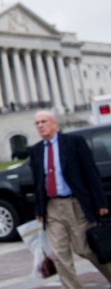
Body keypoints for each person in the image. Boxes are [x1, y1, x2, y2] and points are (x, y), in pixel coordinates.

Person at [29, 110, 111, 288]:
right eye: (37, 123)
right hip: (52, 208)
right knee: (60, 254)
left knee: (86, 250)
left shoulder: (73, 143)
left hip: (75, 204)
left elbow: (91, 173)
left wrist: (100, 203)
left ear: (54, 123)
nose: (40, 126)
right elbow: (37, 183)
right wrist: (39, 210)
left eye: (44, 122)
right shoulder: (36, 151)